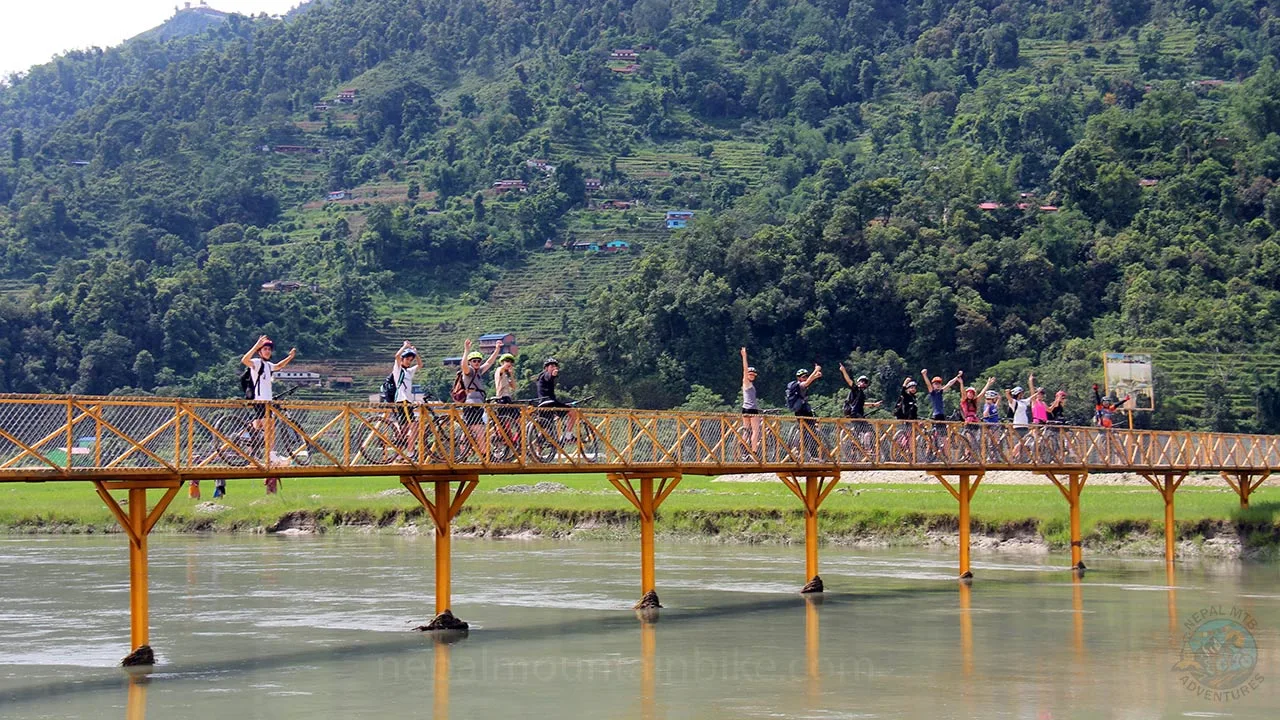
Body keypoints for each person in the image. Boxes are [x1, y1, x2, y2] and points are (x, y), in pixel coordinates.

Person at [241, 335, 295, 488]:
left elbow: (278, 366)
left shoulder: (268, 365)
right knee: (270, 427)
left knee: (258, 427)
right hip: (260, 401)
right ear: (260, 352)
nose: (267, 351)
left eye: (269, 349)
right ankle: (271, 454)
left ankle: (243, 440)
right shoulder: (257, 363)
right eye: (264, 349)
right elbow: (245, 360)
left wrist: (290, 358)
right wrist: (256, 345)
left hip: (267, 401)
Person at [461, 339, 501, 456]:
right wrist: (466, 350)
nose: (477, 362)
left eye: (478, 361)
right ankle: (485, 454)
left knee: (469, 428)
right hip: (472, 404)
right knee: (479, 429)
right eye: (474, 361)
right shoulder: (470, 372)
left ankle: (464, 453)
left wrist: (497, 350)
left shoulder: (478, 372)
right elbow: (464, 366)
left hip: (478, 404)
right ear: (470, 362)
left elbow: (489, 363)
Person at [786, 365, 822, 458]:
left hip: (801, 410)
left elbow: (809, 381)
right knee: (811, 432)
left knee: (807, 432)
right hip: (803, 411)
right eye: (803, 377)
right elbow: (807, 382)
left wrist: (815, 376)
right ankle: (812, 455)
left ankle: (799, 452)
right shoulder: (800, 385)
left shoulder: (800, 385)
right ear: (799, 378)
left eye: (806, 376)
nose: (805, 378)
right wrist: (815, 371)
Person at [536, 357, 577, 438]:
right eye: (551, 367)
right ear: (546, 368)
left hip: (542, 404)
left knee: (546, 428)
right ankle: (568, 436)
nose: (554, 368)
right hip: (550, 403)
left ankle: (537, 447)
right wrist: (553, 375)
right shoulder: (545, 375)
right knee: (573, 413)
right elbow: (549, 377)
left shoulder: (540, 378)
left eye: (555, 367)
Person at [392, 342, 422, 442]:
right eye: (407, 359)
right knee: (413, 425)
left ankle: (400, 448)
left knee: (405, 427)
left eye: (410, 360)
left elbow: (420, 365)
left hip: (408, 401)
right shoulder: (398, 369)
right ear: (402, 359)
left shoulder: (409, 372)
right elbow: (396, 356)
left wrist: (415, 353)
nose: (409, 362)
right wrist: (405, 346)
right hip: (402, 400)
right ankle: (410, 451)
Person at [740, 348, 762, 455]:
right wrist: (744, 356)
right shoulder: (746, 382)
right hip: (752, 409)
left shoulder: (748, 384)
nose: (752, 376)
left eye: (753, 375)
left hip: (745, 409)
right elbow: (744, 369)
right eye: (750, 374)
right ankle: (754, 451)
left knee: (746, 430)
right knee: (755, 431)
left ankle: (744, 450)